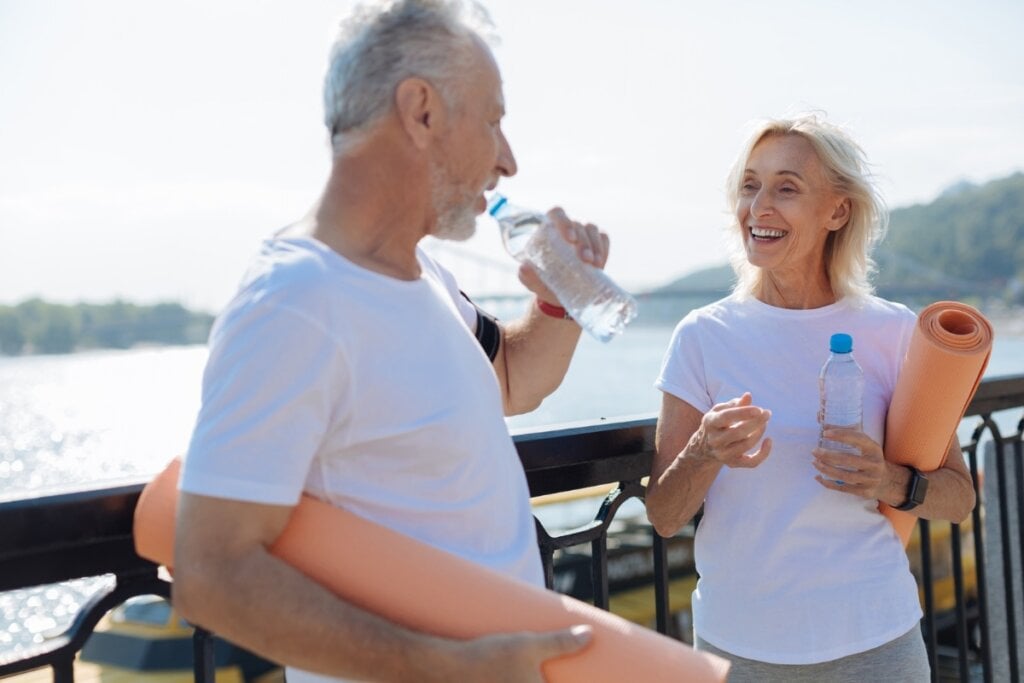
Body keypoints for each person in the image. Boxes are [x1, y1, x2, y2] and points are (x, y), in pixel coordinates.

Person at [171, 1, 611, 681]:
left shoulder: (422, 273)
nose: (509, 160)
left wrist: (561, 303)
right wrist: (446, 665)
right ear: (422, 111)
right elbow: (211, 573)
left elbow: (512, 382)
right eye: (493, 120)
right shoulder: (295, 301)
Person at [645, 113, 976, 682]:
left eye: (787, 188)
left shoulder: (894, 332)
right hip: (740, 649)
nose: (759, 206)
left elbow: (960, 498)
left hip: (877, 641)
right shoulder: (702, 336)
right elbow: (664, 516)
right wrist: (702, 452)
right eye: (750, 185)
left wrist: (889, 481)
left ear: (837, 211)